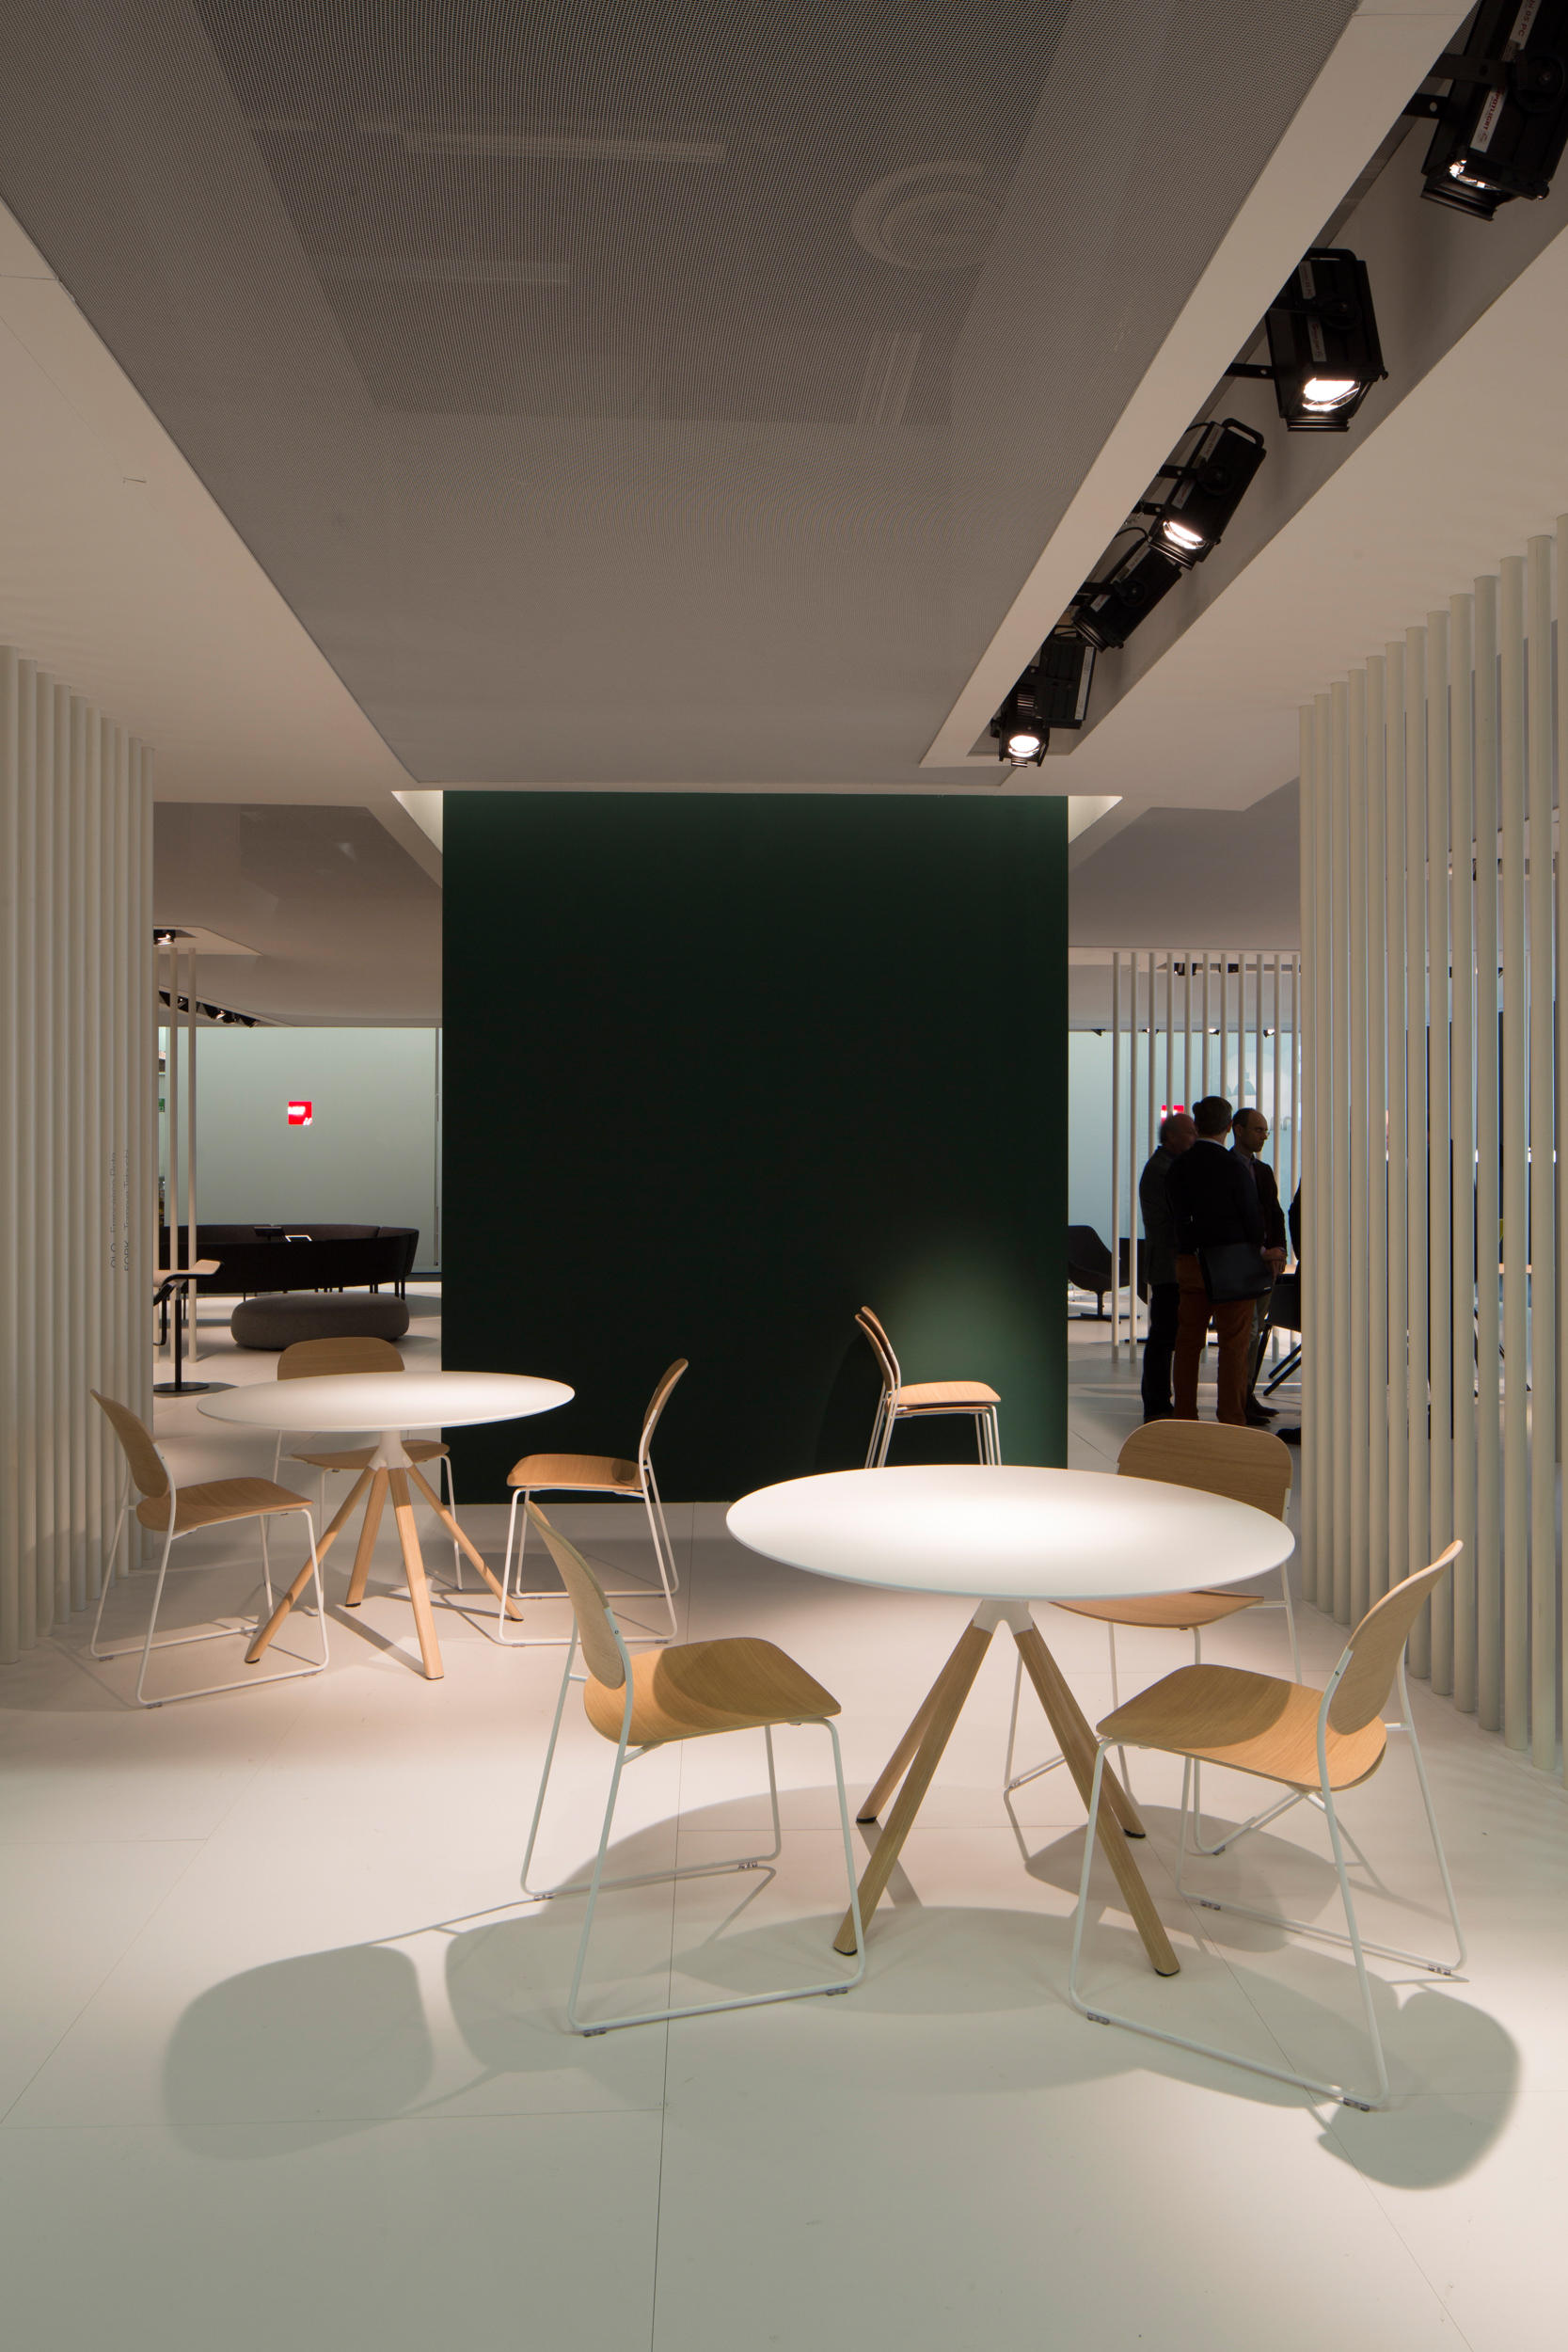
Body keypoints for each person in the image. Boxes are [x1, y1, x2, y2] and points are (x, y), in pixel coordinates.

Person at [1166, 1094, 1265, 1426]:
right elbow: (1252, 1219)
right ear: (1228, 1127)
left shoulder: (1178, 1165)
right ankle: (1231, 1418)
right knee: (1234, 1345)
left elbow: (1174, 1213)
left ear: (1197, 1124)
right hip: (1231, 1266)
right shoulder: (1233, 1167)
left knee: (1188, 1342)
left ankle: (1184, 1414)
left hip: (1190, 1262)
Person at [1230, 1106, 1289, 1425]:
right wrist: (1261, 1250)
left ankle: (1247, 1394)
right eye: (1258, 1129)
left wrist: (1279, 1250)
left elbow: (1275, 1213)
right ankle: (1237, 1398)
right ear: (1238, 1130)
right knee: (1246, 1333)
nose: (1264, 1136)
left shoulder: (1262, 1171)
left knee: (1255, 1333)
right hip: (1240, 1263)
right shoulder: (1226, 1168)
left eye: (1266, 1130)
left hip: (1265, 1266)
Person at [1138, 1109, 1196, 1421]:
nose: (1195, 1138)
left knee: (1164, 1336)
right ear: (1171, 1137)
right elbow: (1173, 1220)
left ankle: (1160, 1400)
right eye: (1190, 1132)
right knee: (1163, 1337)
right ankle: (1157, 1403)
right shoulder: (1164, 1170)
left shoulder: (1166, 1166)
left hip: (1169, 1265)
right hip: (1168, 1267)